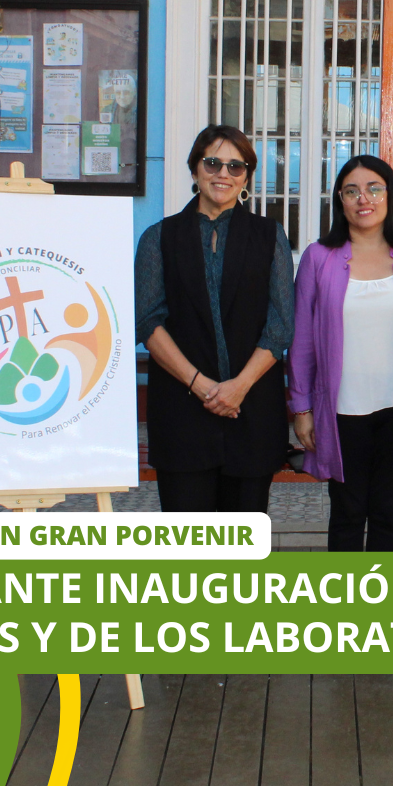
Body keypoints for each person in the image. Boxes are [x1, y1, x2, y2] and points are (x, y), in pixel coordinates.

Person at [289, 156, 393, 551]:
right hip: (340, 411)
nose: (364, 198)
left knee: (387, 515)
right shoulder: (318, 257)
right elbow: (302, 340)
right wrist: (302, 409)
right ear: (341, 202)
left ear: (390, 196)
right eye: (352, 191)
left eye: (374, 188)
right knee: (346, 515)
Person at [136, 126, 293, 513]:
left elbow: (281, 322)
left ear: (246, 178)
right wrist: (202, 386)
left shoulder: (269, 235)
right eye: (213, 163)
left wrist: (238, 386)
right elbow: (148, 322)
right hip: (183, 409)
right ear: (194, 170)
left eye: (236, 166)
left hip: (251, 407)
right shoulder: (159, 237)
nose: (224, 173)